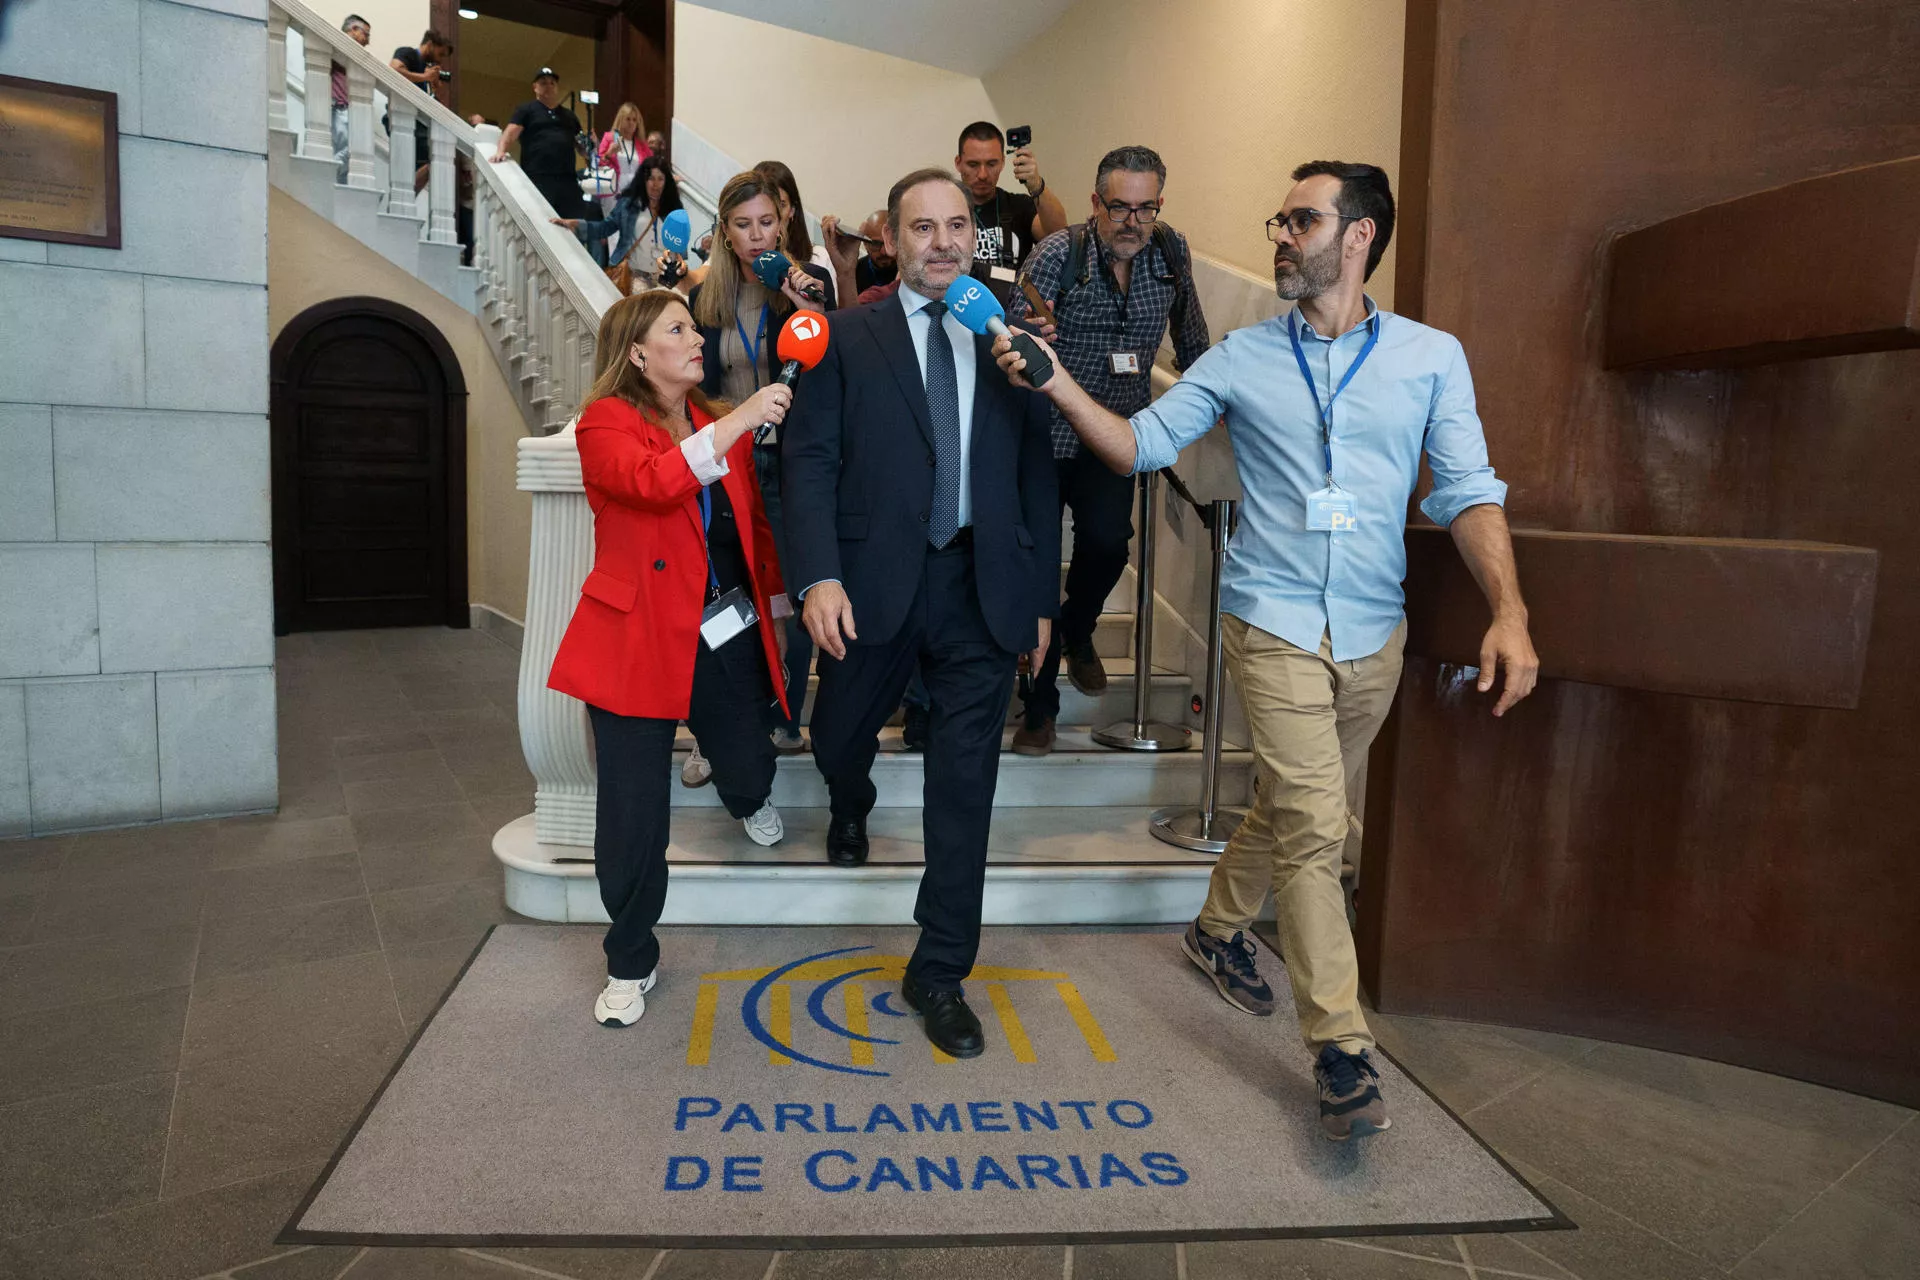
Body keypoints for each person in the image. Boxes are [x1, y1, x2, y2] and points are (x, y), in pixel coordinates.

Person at [994, 160, 1539, 1138]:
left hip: (1374, 627)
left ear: (1360, 235)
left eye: (1302, 219)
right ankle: (1341, 1045)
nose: (1282, 235)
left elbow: (1465, 488)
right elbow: (1140, 445)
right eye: (1280, 220)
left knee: (1290, 806)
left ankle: (1211, 929)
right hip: (1272, 616)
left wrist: (1511, 609)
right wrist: (1060, 385)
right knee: (1319, 826)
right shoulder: (1241, 358)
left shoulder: (1430, 357)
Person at [784, 168, 1058, 1058]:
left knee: (965, 790)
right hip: (870, 586)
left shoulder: (1002, 335)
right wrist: (818, 576)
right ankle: (851, 798)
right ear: (890, 239)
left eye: (956, 227)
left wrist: (1039, 592)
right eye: (922, 227)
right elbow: (810, 462)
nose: (941, 242)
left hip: (979, 588)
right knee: (837, 739)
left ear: (972, 238)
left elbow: (1034, 471)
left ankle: (939, 970)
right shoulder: (846, 336)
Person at [547, 289, 799, 1028]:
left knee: (749, 757)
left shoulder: (713, 420)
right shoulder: (604, 422)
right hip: (633, 635)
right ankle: (630, 958)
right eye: (679, 329)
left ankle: (745, 794)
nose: (697, 339)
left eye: (694, 326)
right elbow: (652, 485)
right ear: (636, 352)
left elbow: (749, 524)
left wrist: (779, 602)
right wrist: (744, 421)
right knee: (632, 815)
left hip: (722, 624)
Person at [1006, 146, 1211, 755]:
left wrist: (1219, 397)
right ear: (1096, 203)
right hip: (1042, 435)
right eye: (1119, 207)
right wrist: (1029, 336)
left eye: (1145, 208)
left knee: (1106, 542)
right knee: (1039, 566)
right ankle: (1039, 707)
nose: (1132, 221)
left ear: (1159, 208)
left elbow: (1193, 338)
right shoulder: (1057, 254)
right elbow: (1011, 336)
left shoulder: (1170, 255)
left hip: (1117, 437)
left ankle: (1080, 626)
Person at [687, 171, 834, 768]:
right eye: (743, 226)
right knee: (728, 599)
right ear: (725, 233)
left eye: (766, 223)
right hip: (728, 467)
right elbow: (692, 386)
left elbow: (832, 378)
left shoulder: (807, 288)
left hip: (791, 465)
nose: (756, 237)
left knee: (793, 601)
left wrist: (810, 307)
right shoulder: (704, 299)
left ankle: (785, 716)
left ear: (784, 223)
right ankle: (724, 726)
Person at [954, 121, 1070, 286]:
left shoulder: (1019, 206)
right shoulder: (942, 209)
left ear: (1002, 162)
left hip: (1012, 306)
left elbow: (1060, 237)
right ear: (958, 163)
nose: (982, 174)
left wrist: (1037, 185)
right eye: (973, 164)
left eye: (991, 164)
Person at [554, 155, 681, 287]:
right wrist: (578, 225)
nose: (656, 184)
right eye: (651, 179)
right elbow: (606, 227)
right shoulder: (628, 204)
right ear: (643, 180)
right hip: (633, 277)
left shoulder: (673, 209)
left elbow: (679, 248)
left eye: (660, 179)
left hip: (663, 280)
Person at [490, 67, 589, 221]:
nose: (548, 86)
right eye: (543, 83)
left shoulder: (569, 116)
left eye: (552, 83)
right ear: (535, 87)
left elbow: (582, 146)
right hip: (538, 177)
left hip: (567, 179)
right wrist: (501, 151)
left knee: (574, 225)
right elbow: (510, 133)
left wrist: (592, 147)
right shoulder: (526, 110)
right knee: (540, 221)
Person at [753, 159, 831, 276]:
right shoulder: (743, 258)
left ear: (792, 210)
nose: (771, 216)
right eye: (763, 205)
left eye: (780, 205)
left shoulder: (818, 259)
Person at [821, 209, 895, 313]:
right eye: (875, 244)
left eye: (890, 243)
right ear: (865, 243)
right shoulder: (853, 271)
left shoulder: (905, 274)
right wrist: (846, 273)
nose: (884, 252)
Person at [331, 14, 371, 184]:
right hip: (337, 107)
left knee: (353, 153)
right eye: (366, 34)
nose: (367, 41)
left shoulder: (355, 56)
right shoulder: (336, 45)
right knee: (353, 150)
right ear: (353, 30)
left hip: (347, 109)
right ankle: (326, 172)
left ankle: (331, 178)